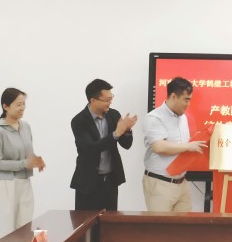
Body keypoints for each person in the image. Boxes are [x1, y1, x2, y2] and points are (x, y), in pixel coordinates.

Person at [0, 88, 45, 241]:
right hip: (3, 185)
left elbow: (28, 153)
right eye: (18, 104)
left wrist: (36, 161)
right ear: (5, 106)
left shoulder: (26, 126)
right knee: (2, 231)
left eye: (24, 104)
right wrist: (25, 163)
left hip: (23, 182)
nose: (22, 108)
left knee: (23, 227)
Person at [70, 79, 137, 211]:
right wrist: (116, 133)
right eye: (107, 100)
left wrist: (127, 130)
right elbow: (90, 148)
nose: (110, 102)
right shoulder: (79, 121)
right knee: (86, 222)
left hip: (110, 181)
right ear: (93, 100)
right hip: (88, 182)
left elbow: (126, 145)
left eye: (111, 98)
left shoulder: (114, 115)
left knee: (110, 221)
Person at [142, 77, 207, 212]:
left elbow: (181, 144)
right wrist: (189, 146)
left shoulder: (184, 117)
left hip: (181, 183)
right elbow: (159, 146)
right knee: (161, 225)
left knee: (185, 224)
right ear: (173, 96)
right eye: (186, 100)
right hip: (160, 183)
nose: (188, 104)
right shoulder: (154, 117)